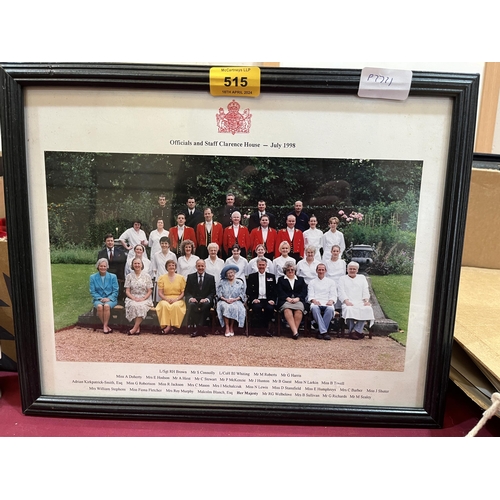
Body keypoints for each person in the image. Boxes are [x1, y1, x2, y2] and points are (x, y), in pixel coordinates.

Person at [337, 261, 375, 340]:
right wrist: (346, 301)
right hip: (348, 301)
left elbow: (365, 290)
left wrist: (366, 301)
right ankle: (357, 332)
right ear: (347, 269)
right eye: (350, 269)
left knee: (367, 309)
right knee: (348, 309)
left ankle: (355, 331)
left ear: (357, 270)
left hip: (360, 301)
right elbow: (341, 291)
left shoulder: (362, 278)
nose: (352, 270)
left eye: (354, 269)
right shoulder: (342, 278)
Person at [276, 261, 308, 340]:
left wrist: (298, 298)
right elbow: (279, 291)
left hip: (298, 300)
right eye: (288, 270)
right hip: (285, 300)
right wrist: (287, 298)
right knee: (287, 310)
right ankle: (295, 332)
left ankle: (294, 331)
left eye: (292, 270)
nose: (290, 271)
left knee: (299, 311)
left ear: (295, 271)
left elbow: (304, 291)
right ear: (285, 271)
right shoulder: (281, 280)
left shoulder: (300, 279)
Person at [184, 259, 216, 337]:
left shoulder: (210, 277)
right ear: (196, 267)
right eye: (199, 266)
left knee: (206, 305)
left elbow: (213, 292)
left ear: (205, 266)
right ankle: (200, 329)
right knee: (192, 305)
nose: (200, 268)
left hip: (205, 300)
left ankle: (198, 328)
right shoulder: (190, 277)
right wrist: (191, 298)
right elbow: (187, 291)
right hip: (194, 300)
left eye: (202, 266)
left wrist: (207, 299)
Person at [247, 257, 277, 336]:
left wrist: (273, 300)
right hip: (257, 299)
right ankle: (258, 330)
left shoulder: (271, 276)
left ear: (266, 265)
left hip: (268, 299)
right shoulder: (252, 276)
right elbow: (249, 290)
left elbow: (275, 290)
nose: (261, 266)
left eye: (263, 265)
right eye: (260, 265)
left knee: (270, 308)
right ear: (257, 265)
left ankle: (266, 329)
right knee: (257, 308)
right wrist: (253, 299)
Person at [155, 259, 186, 335]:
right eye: (169, 265)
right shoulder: (162, 278)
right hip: (166, 298)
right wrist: (166, 299)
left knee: (175, 306)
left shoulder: (181, 278)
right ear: (166, 267)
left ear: (175, 267)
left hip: (178, 299)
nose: (171, 267)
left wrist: (176, 299)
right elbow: (160, 292)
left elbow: (183, 293)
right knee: (164, 305)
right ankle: (168, 326)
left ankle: (172, 326)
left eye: (173, 265)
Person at [124, 257, 153, 335]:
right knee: (133, 305)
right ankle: (137, 327)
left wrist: (143, 298)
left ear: (141, 265)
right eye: (135, 263)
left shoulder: (147, 276)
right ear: (132, 265)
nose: (137, 265)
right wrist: (133, 298)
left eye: (138, 263)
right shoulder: (129, 276)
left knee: (140, 306)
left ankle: (134, 328)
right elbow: (127, 291)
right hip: (132, 297)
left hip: (145, 297)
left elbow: (150, 290)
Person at [308, 263, 337, 340]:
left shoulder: (331, 282)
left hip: (327, 302)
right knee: (314, 308)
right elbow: (310, 295)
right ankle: (324, 332)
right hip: (316, 302)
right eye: (319, 270)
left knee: (330, 309)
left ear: (325, 271)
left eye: (322, 270)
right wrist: (314, 300)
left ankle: (320, 331)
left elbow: (333, 294)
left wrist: (331, 301)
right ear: (316, 271)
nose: (321, 271)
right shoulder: (312, 282)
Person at [90, 258, 119, 334]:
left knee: (106, 306)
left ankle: (104, 326)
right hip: (98, 299)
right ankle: (105, 326)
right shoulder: (92, 277)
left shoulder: (113, 277)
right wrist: (100, 298)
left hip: (111, 299)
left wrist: (109, 298)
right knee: (99, 306)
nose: (103, 268)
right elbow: (92, 291)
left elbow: (116, 290)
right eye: (101, 266)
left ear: (107, 267)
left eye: (104, 266)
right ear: (98, 266)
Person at [217, 264, 246, 337]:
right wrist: (226, 300)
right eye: (228, 273)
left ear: (234, 273)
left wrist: (235, 299)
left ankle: (231, 326)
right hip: (224, 300)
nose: (230, 274)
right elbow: (219, 293)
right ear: (226, 275)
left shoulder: (239, 282)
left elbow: (242, 294)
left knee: (234, 307)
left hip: (236, 300)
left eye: (232, 273)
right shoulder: (222, 282)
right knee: (226, 307)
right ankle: (227, 327)